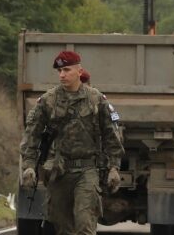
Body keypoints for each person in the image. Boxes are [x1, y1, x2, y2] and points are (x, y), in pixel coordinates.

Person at [20, 51, 124, 235]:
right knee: (63, 227)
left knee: (85, 224)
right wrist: (29, 166)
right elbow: (32, 135)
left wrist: (114, 167)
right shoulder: (48, 101)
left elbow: (111, 136)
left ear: (79, 71)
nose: (62, 74)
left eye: (66, 70)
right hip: (58, 173)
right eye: (59, 71)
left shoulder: (96, 99)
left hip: (87, 171)